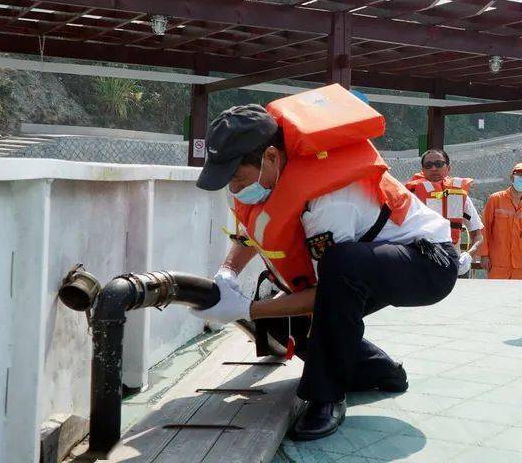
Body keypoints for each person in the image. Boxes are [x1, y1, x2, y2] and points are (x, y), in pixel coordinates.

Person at [190, 86, 459, 440]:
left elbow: (326, 290)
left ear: (271, 156)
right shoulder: (275, 175)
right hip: (370, 263)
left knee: (338, 269)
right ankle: (381, 371)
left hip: (428, 264)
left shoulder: (327, 201)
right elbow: (256, 227)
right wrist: (228, 272)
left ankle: (326, 397)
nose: (235, 190)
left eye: (237, 178)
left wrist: (249, 309)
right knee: (296, 324)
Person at [406, 149, 484, 275]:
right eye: (428, 165)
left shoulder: (460, 195)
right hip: (420, 266)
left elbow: (478, 235)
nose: (433, 168)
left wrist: (469, 255)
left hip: (453, 265)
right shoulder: (411, 196)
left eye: (439, 164)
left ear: (448, 168)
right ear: (423, 170)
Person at [477, 162, 522, 280]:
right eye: (520, 175)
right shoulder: (495, 199)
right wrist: (484, 255)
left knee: (517, 298)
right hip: (498, 263)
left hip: (520, 265)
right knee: (496, 297)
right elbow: (484, 228)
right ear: (512, 177)